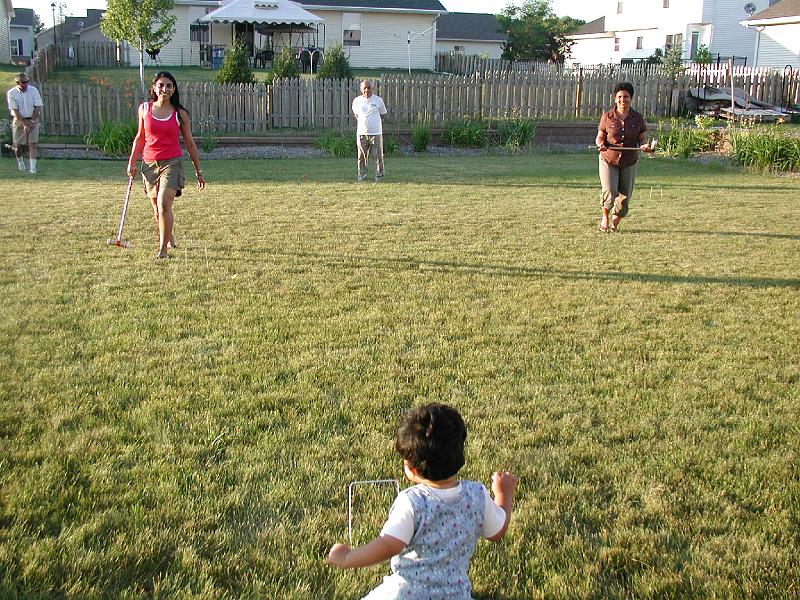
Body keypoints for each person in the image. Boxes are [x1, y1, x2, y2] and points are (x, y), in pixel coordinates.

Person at [327, 403, 519, 599]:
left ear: (411, 470)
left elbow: (388, 545)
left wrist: (346, 558)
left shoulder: (412, 502)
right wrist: (504, 494)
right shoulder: (477, 494)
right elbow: (496, 532)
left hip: (407, 593)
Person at [127, 71, 205, 259]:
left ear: (174, 89)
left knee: (163, 204)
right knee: (156, 208)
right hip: (149, 163)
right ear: (154, 88)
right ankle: (168, 236)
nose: (165, 89)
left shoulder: (180, 114)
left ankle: (163, 251)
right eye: (161, 85)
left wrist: (198, 171)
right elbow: (140, 138)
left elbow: (190, 143)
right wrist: (131, 162)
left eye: (169, 85)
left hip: (172, 162)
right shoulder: (144, 109)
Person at [595, 82, 652, 233]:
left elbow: (642, 139)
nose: (623, 100)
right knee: (610, 191)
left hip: (629, 161)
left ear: (631, 98)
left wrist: (645, 146)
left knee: (625, 196)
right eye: (619, 97)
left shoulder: (637, 118)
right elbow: (600, 137)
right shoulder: (607, 117)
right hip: (608, 159)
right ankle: (605, 217)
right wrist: (600, 144)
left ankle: (615, 223)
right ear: (615, 98)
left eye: (626, 97)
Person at [6, 72, 44, 174]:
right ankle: (21, 162)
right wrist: (24, 124)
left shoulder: (33, 91)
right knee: (18, 146)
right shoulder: (11, 93)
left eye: (27, 81)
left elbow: (38, 107)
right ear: (17, 83)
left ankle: (32, 169)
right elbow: (15, 111)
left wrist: (32, 121)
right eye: (23, 82)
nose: (26, 84)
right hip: (19, 120)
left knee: (32, 144)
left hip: (32, 119)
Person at [352, 79, 387, 182]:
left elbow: (383, 114)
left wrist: (375, 124)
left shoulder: (378, 100)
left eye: (369, 88)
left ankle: (379, 175)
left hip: (376, 133)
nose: (367, 90)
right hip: (362, 133)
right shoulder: (357, 101)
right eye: (365, 88)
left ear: (373, 88)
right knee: (361, 156)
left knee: (378, 156)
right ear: (361, 89)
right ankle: (362, 174)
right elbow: (356, 115)